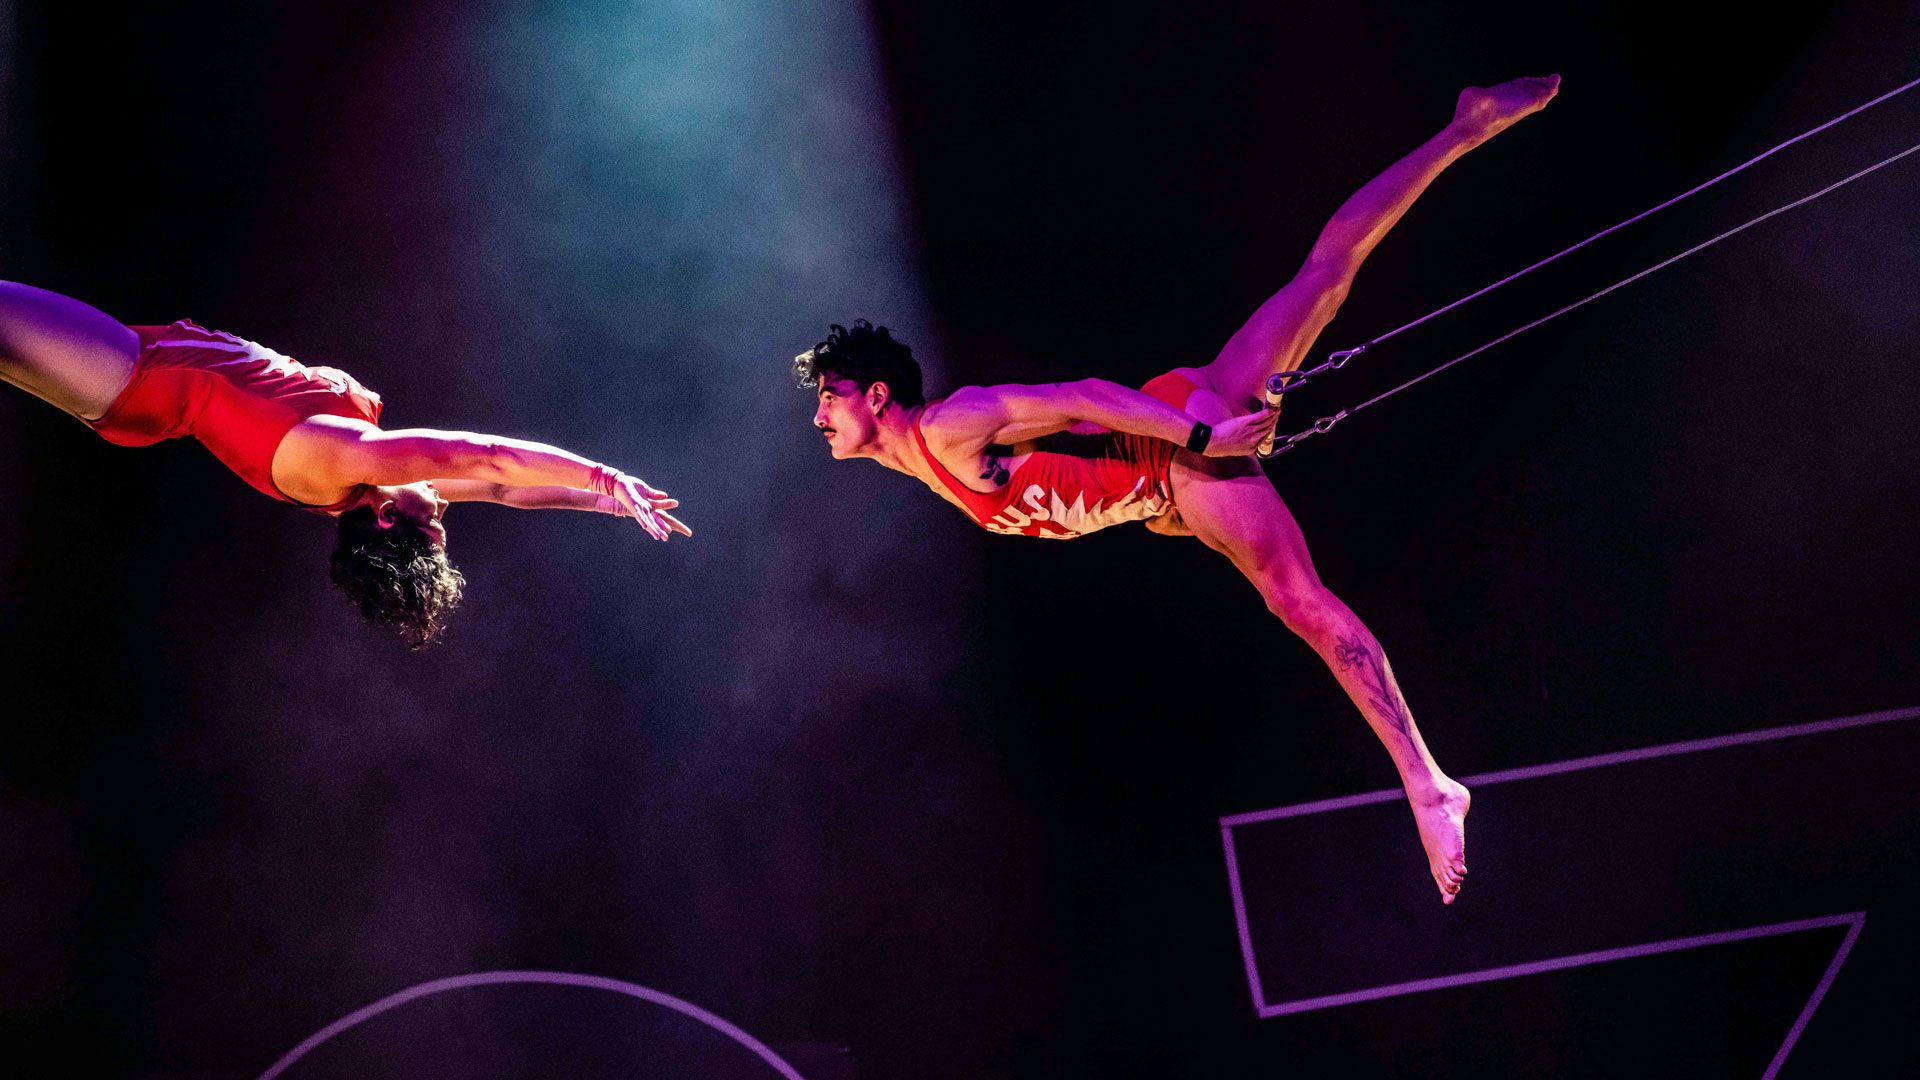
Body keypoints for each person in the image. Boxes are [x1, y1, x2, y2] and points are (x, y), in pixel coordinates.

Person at [796, 75, 1562, 903]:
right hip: (1171, 440)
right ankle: (1465, 127)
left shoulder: (950, 425)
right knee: (1325, 276)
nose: (818, 419)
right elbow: (1076, 449)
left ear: (876, 396)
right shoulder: (924, 461)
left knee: (1296, 601)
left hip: (1176, 452)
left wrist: (1202, 439)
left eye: (827, 398)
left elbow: (1081, 394)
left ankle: (1429, 781)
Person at [0, 281, 690, 648]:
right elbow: (504, 488)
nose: (448, 505)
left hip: (129, 378)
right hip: (138, 375)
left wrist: (603, 473)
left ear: (388, 515)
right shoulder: (352, 481)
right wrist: (606, 503)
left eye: (436, 523)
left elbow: (485, 456)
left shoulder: (343, 463)